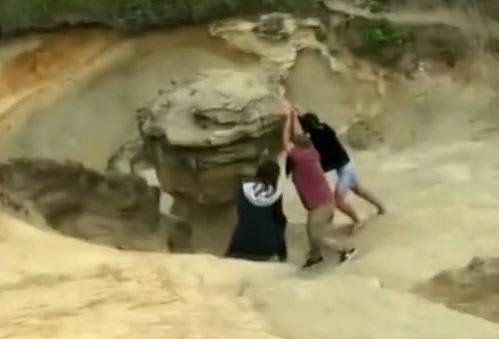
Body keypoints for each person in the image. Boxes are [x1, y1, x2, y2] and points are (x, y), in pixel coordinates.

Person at [282, 101, 356, 268]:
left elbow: (286, 140)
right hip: (324, 203)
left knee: (317, 235)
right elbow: (297, 136)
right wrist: (294, 115)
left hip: (321, 206)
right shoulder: (311, 151)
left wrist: (288, 118)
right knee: (312, 231)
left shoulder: (301, 158)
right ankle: (315, 256)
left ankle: (345, 250)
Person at [299, 112, 385, 228]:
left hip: (346, 170)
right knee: (359, 190)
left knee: (338, 201)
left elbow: (323, 161)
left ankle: (357, 221)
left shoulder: (318, 139)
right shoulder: (325, 127)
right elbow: (309, 125)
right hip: (349, 164)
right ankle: (381, 208)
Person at [225, 158, 287, 262]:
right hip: (265, 248)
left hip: (240, 245)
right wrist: (282, 252)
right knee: (280, 221)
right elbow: (280, 223)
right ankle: (281, 256)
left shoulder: (243, 188)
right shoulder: (275, 196)